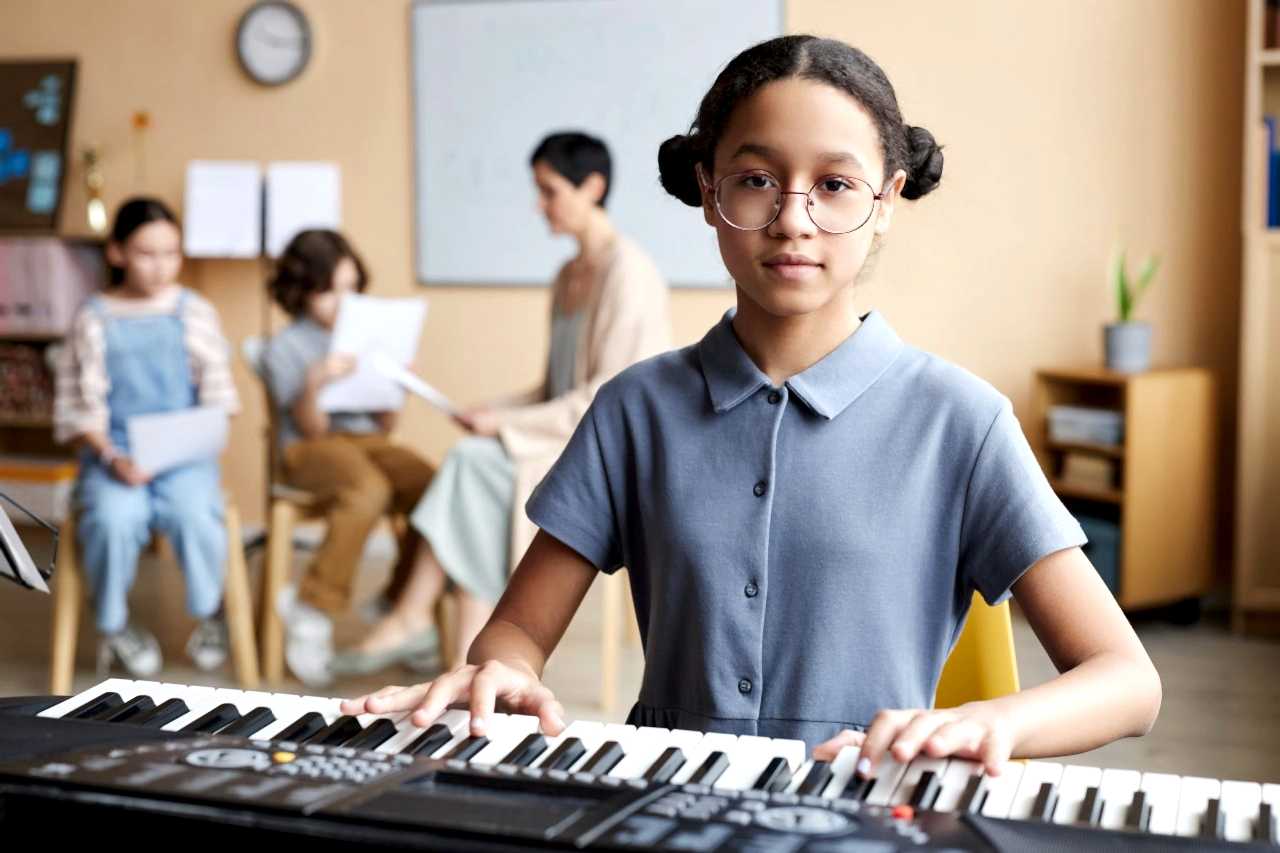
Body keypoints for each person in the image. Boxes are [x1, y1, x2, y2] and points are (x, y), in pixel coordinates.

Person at [344, 37, 1161, 779]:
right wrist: (505, 671)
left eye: (835, 185)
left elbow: (1127, 682)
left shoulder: (963, 421)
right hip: (663, 805)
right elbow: (516, 632)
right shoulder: (635, 410)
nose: (792, 220)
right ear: (709, 192)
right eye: (758, 180)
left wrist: (989, 722)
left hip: (869, 814)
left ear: (885, 202)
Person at [333, 132, 670, 675]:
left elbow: (610, 396)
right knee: (480, 472)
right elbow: (552, 387)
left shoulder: (629, 272)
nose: (540, 205)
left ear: (593, 187)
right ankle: (458, 646)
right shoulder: (567, 276)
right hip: (560, 431)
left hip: (602, 445)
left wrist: (505, 424)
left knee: (474, 466)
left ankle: (421, 621)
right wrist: (492, 410)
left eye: (550, 190)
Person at [54, 197, 240, 676]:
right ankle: (115, 625)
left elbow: (219, 398)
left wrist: (179, 446)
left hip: (183, 456)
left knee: (195, 514)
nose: (161, 266)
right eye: (146, 253)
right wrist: (113, 457)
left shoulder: (194, 312)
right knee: (112, 520)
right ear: (117, 252)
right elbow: (79, 405)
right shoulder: (93, 317)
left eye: (171, 253)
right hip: (114, 454)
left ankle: (211, 612)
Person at [260, 229, 435, 686]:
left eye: (352, 288)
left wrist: (395, 386)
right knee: (367, 489)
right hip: (311, 449)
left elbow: (384, 427)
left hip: (365, 443)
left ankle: (402, 601)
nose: (345, 301)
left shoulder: (365, 337)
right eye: (331, 290)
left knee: (435, 485)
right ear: (302, 290)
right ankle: (312, 608)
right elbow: (312, 428)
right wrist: (316, 381)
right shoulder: (284, 348)